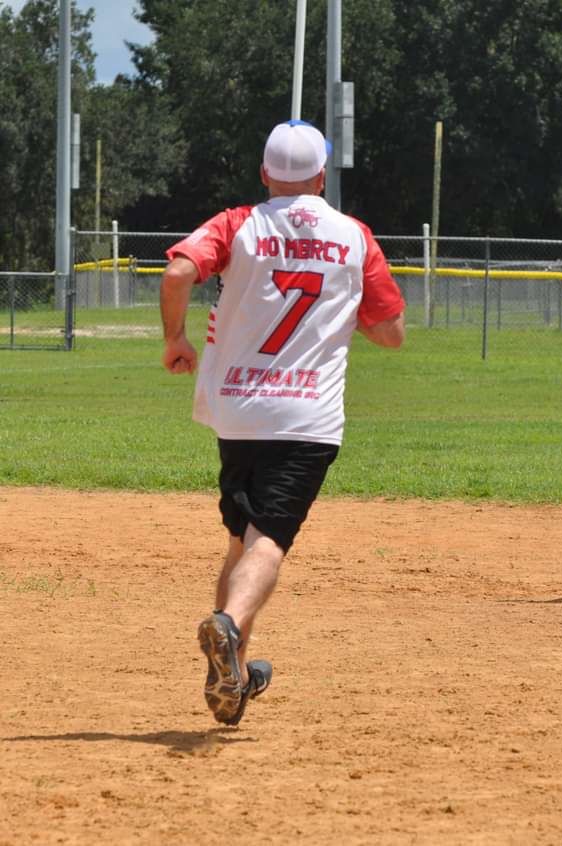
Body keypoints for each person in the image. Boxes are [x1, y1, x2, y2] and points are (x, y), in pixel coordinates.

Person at [159, 120, 406, 726]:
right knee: (270, 539)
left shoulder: (238, 223)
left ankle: (233, 677)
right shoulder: (353, 236)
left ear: (265, 174)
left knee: (241, 539)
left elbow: (178, 272)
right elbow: (391, 333)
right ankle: (228, 626)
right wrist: (347, 313)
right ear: (322, 177)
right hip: (305, 417)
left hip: (236, 409)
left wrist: (175, 339)